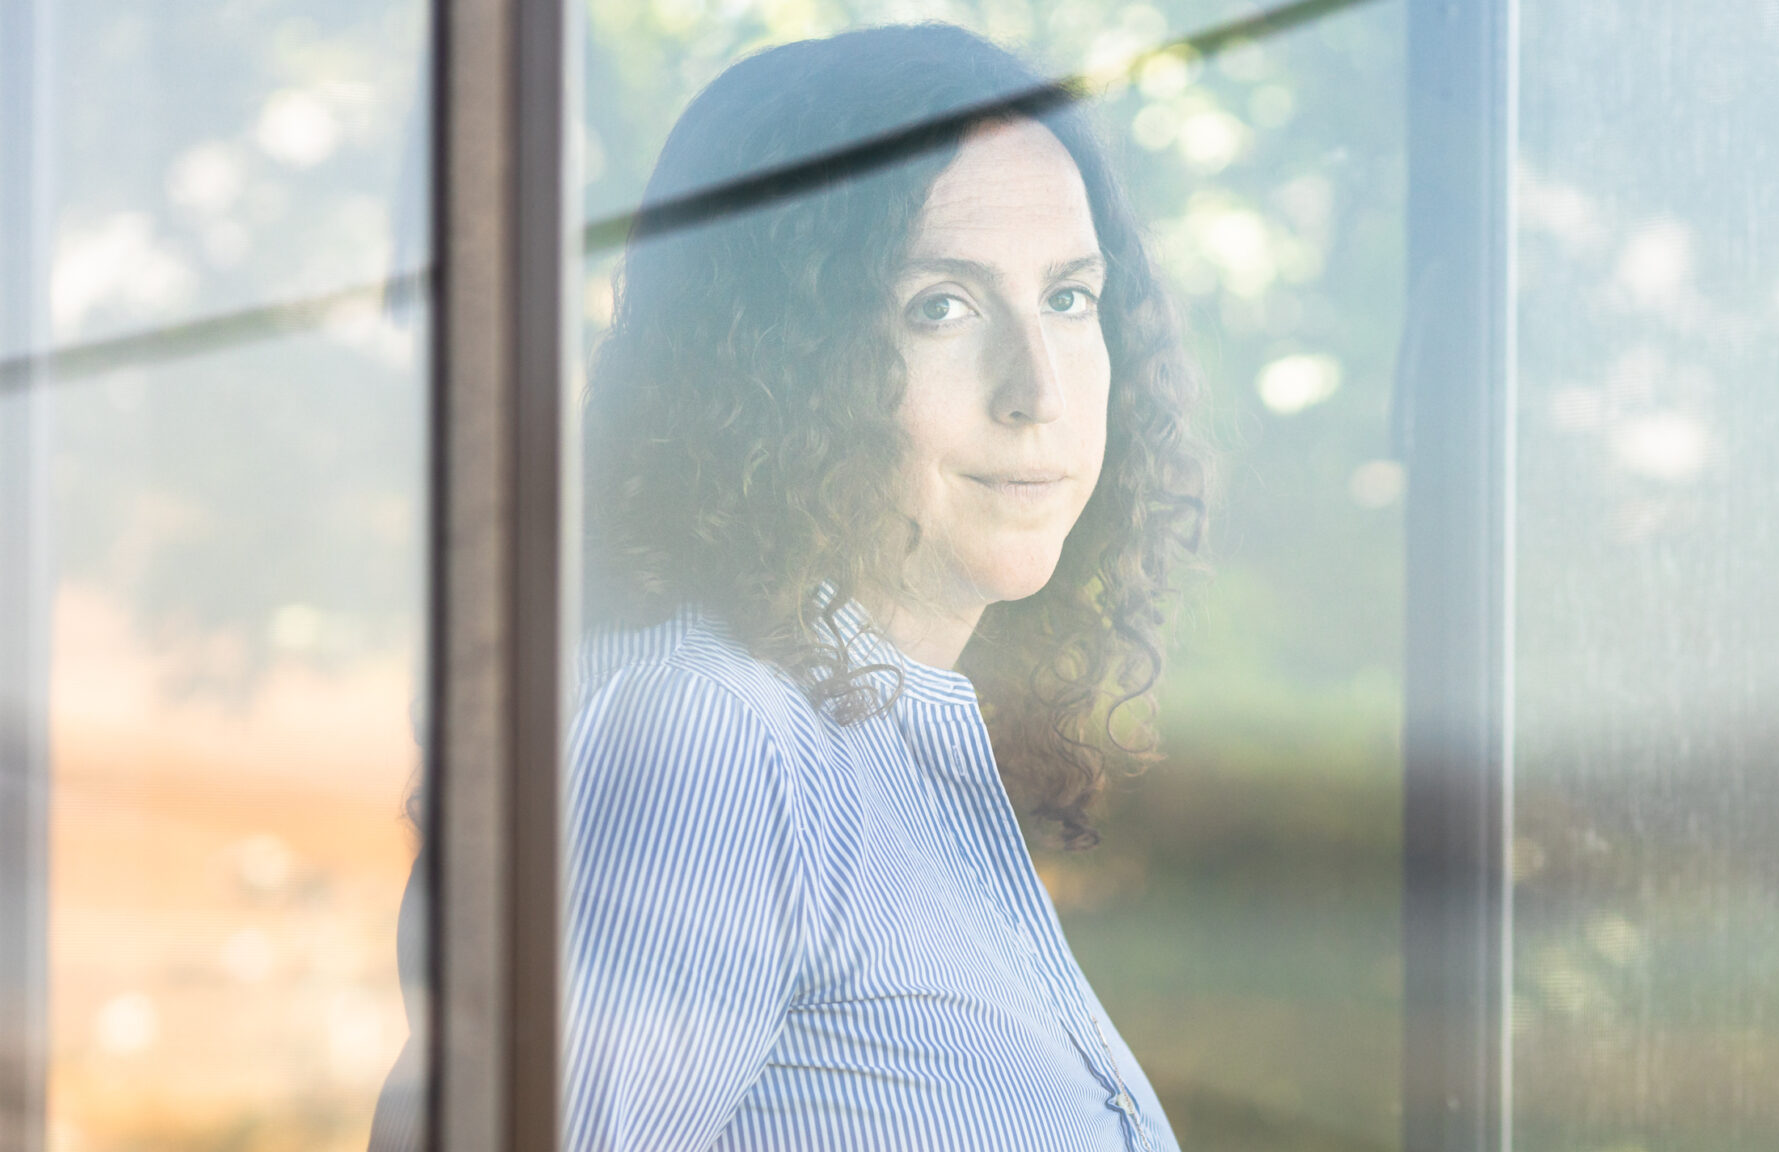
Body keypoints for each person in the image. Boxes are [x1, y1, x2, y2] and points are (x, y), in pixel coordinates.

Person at [372, 22, 1206, 1151]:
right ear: (776, 364)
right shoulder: (714, 736)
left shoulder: (874, 752)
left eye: (1069, 298)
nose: (1037, 391)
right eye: (940, 306)